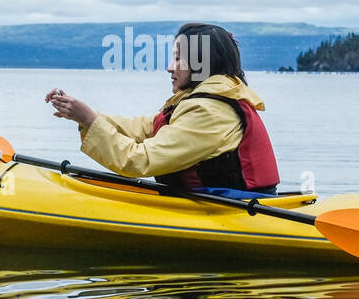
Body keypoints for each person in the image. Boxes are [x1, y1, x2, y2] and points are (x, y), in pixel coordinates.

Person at [45, 23, 280, 194]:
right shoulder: (199, 101)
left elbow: (139, 161)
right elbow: (140, 128)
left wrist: (88, 119)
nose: (170, 68)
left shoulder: (209, 112)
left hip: (233, 210)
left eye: (178, 59)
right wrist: (84, 115)